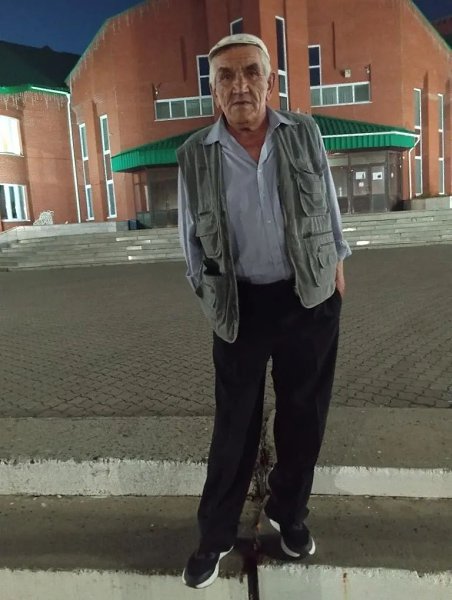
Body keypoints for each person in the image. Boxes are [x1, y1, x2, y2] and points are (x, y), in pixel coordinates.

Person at [177, 33, 351, 589]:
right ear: (214, 92)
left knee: (305, 417)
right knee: (234, 426)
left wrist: (337, 262)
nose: (240, 85)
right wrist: (208, 296)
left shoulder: (303, 133)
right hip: (241, 305)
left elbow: (326, 199)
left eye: (251, 71)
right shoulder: (195, 154)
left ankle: (288, 513)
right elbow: (189, 238)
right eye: (225, 77)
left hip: (308, 297)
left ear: (270, 82)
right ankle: (215, 535)